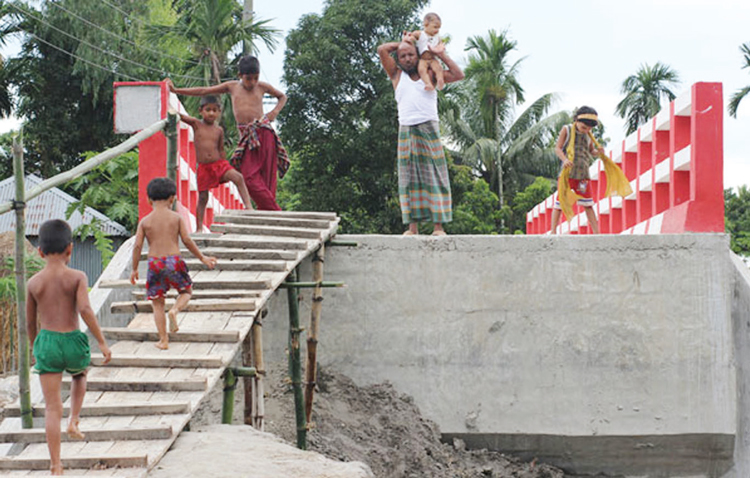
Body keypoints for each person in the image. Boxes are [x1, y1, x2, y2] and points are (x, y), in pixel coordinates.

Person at [26, 219, 112, 476]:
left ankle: (56, 465)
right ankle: (74, 419)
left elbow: (30, 322)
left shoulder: (34, 282)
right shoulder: (77, 276)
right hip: (73, 339)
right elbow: (85, 309)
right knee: (80, 373)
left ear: (40, 251)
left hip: (48, 341)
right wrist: (102, 341)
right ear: (70, 249)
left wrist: (36, 349)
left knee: (52, 408)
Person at [167, 56, 290, 211]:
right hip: (247, 138)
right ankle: (276, 213)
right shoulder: (232, 87)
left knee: (267, 181)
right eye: (248, 79)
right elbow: (204, 91)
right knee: (249, 177)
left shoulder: (262, 86)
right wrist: (176, 90)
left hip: (264, 133)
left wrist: (274, 113)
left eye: (255, 78)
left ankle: (267, 216)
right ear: (240, 76)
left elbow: (282, 97)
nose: (252, 82)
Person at [377, 34, 464, 235]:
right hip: (406, 128)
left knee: (436, 175)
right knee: (408, 178)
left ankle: (438, 227)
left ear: (418, 55)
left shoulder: (431, 74)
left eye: (410, 54)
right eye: (403, 56)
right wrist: (404, 43)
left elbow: (458, 74)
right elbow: (382, 50)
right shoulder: (396, 75)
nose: (407, 58)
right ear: (398, 59)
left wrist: (440, 54)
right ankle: (412, 228)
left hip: (429, 127)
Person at [130, 177, 217, 350]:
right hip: (174, 261)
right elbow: (187, 240)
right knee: (186, 291)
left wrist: (134, 269)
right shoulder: (176, 218)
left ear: (148, 199)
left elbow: (138, 245)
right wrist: (202, 258)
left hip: (154, 263)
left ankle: (163, 340)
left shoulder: (145, 222)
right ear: (173, 198)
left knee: (157, 303)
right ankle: (175, 310)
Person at [177, 96, 253, 232]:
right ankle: (199, 228)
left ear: (219, 112)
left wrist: (226, 164)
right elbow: (182, 117)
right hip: (204, 168)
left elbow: (221, 149)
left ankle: (249, 207)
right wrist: (171, 110)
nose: (211, 113)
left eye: (215, 110)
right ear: (201, 111)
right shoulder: (196, 124)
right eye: (208, 110)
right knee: (203, 197)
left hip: (219, 164)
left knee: (238, 177)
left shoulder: (219, 130)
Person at [549, 106, 606, 234]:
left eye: (589, 129)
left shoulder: (588, 135)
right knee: (559, 203)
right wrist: (564, 160)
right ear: (576, 121)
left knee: (588, 204)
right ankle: (553, 232)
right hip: (568, 174)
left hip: (583, 175)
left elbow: (591, 151)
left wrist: (599, 152)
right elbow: (558, 148)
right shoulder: (567, 129)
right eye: (584, 127)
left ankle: (597, 233)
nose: (586, 130)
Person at [410, 12, 446, 91]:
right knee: (422, 70)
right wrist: (411, 37)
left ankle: (440, 79)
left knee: (439, 68)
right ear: (426, 24)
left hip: (433, 59)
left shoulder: (437, 37)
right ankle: (427, 83)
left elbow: (441, 44)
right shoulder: (420, 34)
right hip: (423, 59)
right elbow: (413, 36)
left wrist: (441, 47)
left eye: (439, 28)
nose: (437, 30)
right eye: (435, 27)